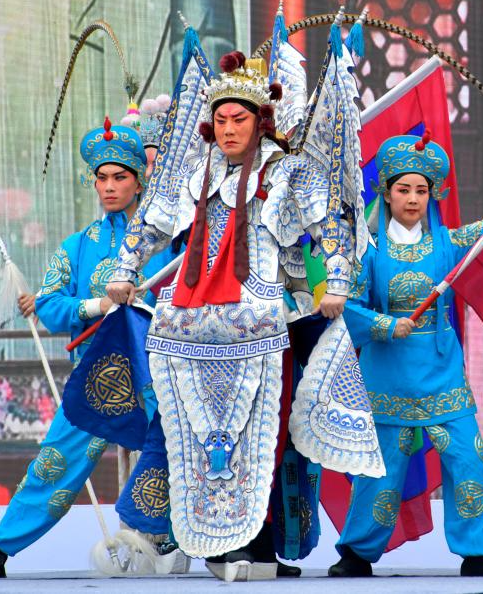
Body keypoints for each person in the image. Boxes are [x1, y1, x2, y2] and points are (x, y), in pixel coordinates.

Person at [106, 49, 380, 582]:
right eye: (222, 120)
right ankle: (204, 539)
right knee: (198, 437)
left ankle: (254, 544)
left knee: (263, 438)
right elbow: (151, 224)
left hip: (262, 323)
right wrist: (124, 268)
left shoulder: (290, 172)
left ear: (261, 121)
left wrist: (338, 282)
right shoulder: (194, 171)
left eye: (239, 119)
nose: (229, 129)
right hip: (189, 325)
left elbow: (331, 227)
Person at [0, 116, 174, 579]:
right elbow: (50, 305)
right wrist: (97, 305)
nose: (109, 186)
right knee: (54, 463)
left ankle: (188, 540)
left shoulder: (167, 244)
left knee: (177, 451)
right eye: (102, 177)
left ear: (139, 181)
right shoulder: (76, 246)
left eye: (120, 177)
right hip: (99, 376)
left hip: (160, 374)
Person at [328, 133, 483, 577]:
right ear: (386, 193)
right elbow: (347, 307)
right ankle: (356, 553)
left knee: (467, 457)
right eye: (403, 189)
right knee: (381, 468)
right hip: (386, 371)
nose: (413, 199)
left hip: (440, 368)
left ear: (432, 194)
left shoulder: (448, 244)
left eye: (421, 190)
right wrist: (385, 324)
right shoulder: (367, 250)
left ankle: (481, 551)